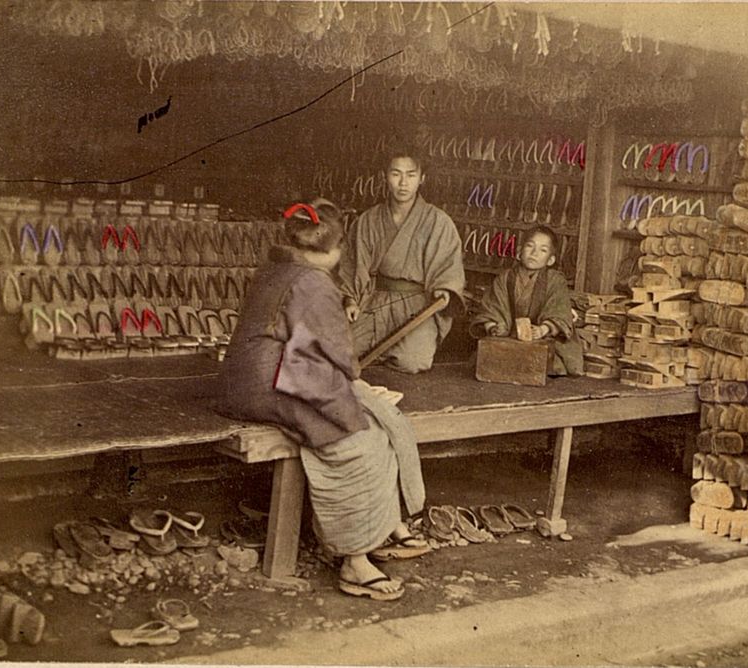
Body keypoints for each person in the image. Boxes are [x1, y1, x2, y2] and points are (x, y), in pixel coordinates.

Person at [217, 199, 429, 601]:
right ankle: (355, 560)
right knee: (360, 440)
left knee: (372, 418)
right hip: (273, 384)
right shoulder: (313, 281)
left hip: (249, 379)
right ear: (334, 250)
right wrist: (353, 380)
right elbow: (336, 349)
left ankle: (380, 528)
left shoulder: (276, 269)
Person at [338, 148, 465, 373]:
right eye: (396, 174)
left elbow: (447, 268)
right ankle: (384, 350)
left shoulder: (438, 221)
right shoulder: (368, 220)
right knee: (340, 351)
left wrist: (443, 290)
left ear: (422, 179)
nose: (403, 183)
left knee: (412, 362)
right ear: (385, 176)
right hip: (374, 301)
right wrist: (350, 300)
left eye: (411, 175)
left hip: (418, 305)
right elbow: (353, 265)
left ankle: (392, 350)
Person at [470, 225, 584, 377]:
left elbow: (559, 312)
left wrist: (543, 329)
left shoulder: (555, 281)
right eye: (530, 246)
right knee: (491, 360)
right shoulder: (505, 278)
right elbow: (492, 308)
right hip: (509, 337)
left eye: (543, 250)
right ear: (518, 252)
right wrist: (493, 326)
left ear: (550, 260)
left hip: (545, 339)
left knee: (549, 365)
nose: (534, 253)